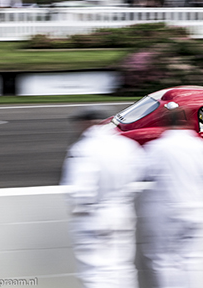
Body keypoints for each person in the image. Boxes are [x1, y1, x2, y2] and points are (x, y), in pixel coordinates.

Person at [139, 107, 203, 288]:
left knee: (165, 260)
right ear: (187, 122)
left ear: (164, 123)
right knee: (194, 261)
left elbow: (143, 173)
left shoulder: (157, 147)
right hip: (200, 212)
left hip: (169, 212)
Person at [60, 106, 145, 288]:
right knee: (122, 268)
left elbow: (80, 190)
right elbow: (140, 172)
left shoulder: (84, 148)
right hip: (122, 212)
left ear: (87, 123)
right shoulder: (126, 145)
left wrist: (80, 212)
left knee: (95, 272)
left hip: (95, 216)